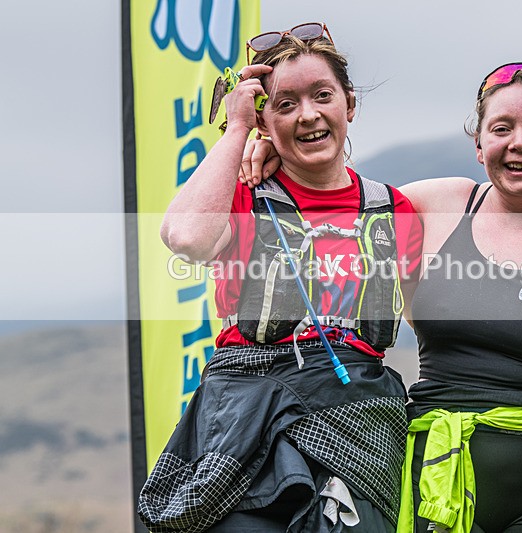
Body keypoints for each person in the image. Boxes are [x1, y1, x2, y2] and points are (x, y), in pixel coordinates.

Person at [243, 62, 522, 532]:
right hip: (439, 470)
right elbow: (334, 198)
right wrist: (279, 153)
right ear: (479, 145)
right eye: (502, 128)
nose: (520, 142)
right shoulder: (437, 206)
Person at [137, 23, 422, 533]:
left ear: (349, 105)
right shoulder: (244, 197)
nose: (308, 114)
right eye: (285, 104)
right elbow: (186, 237)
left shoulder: (394, 209)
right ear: (265, 122)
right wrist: (236, 131)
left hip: (360, 426)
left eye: (322, 96)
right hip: (247, 420)